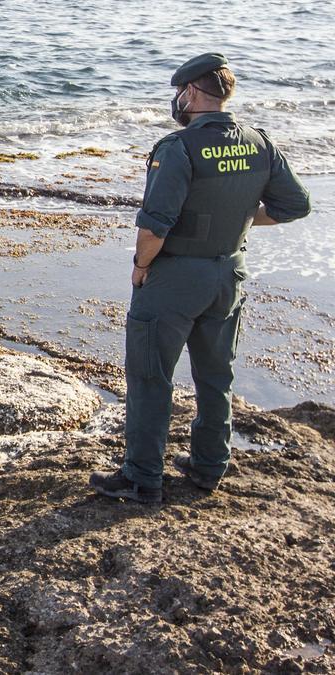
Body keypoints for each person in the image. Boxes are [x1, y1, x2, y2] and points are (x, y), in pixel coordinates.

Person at [90, 54, 311, 504]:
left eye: (179, 93)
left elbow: (155, 224)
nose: (178, 101)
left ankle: (141, 477)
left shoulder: (179, 147)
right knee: (216, 376)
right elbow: (294, 205)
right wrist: (240, 220)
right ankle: (210, 466)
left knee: (151, 376)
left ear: (190, 93)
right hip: (228, 273)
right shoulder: (258, 142)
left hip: (176, 277)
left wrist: (140, 265)